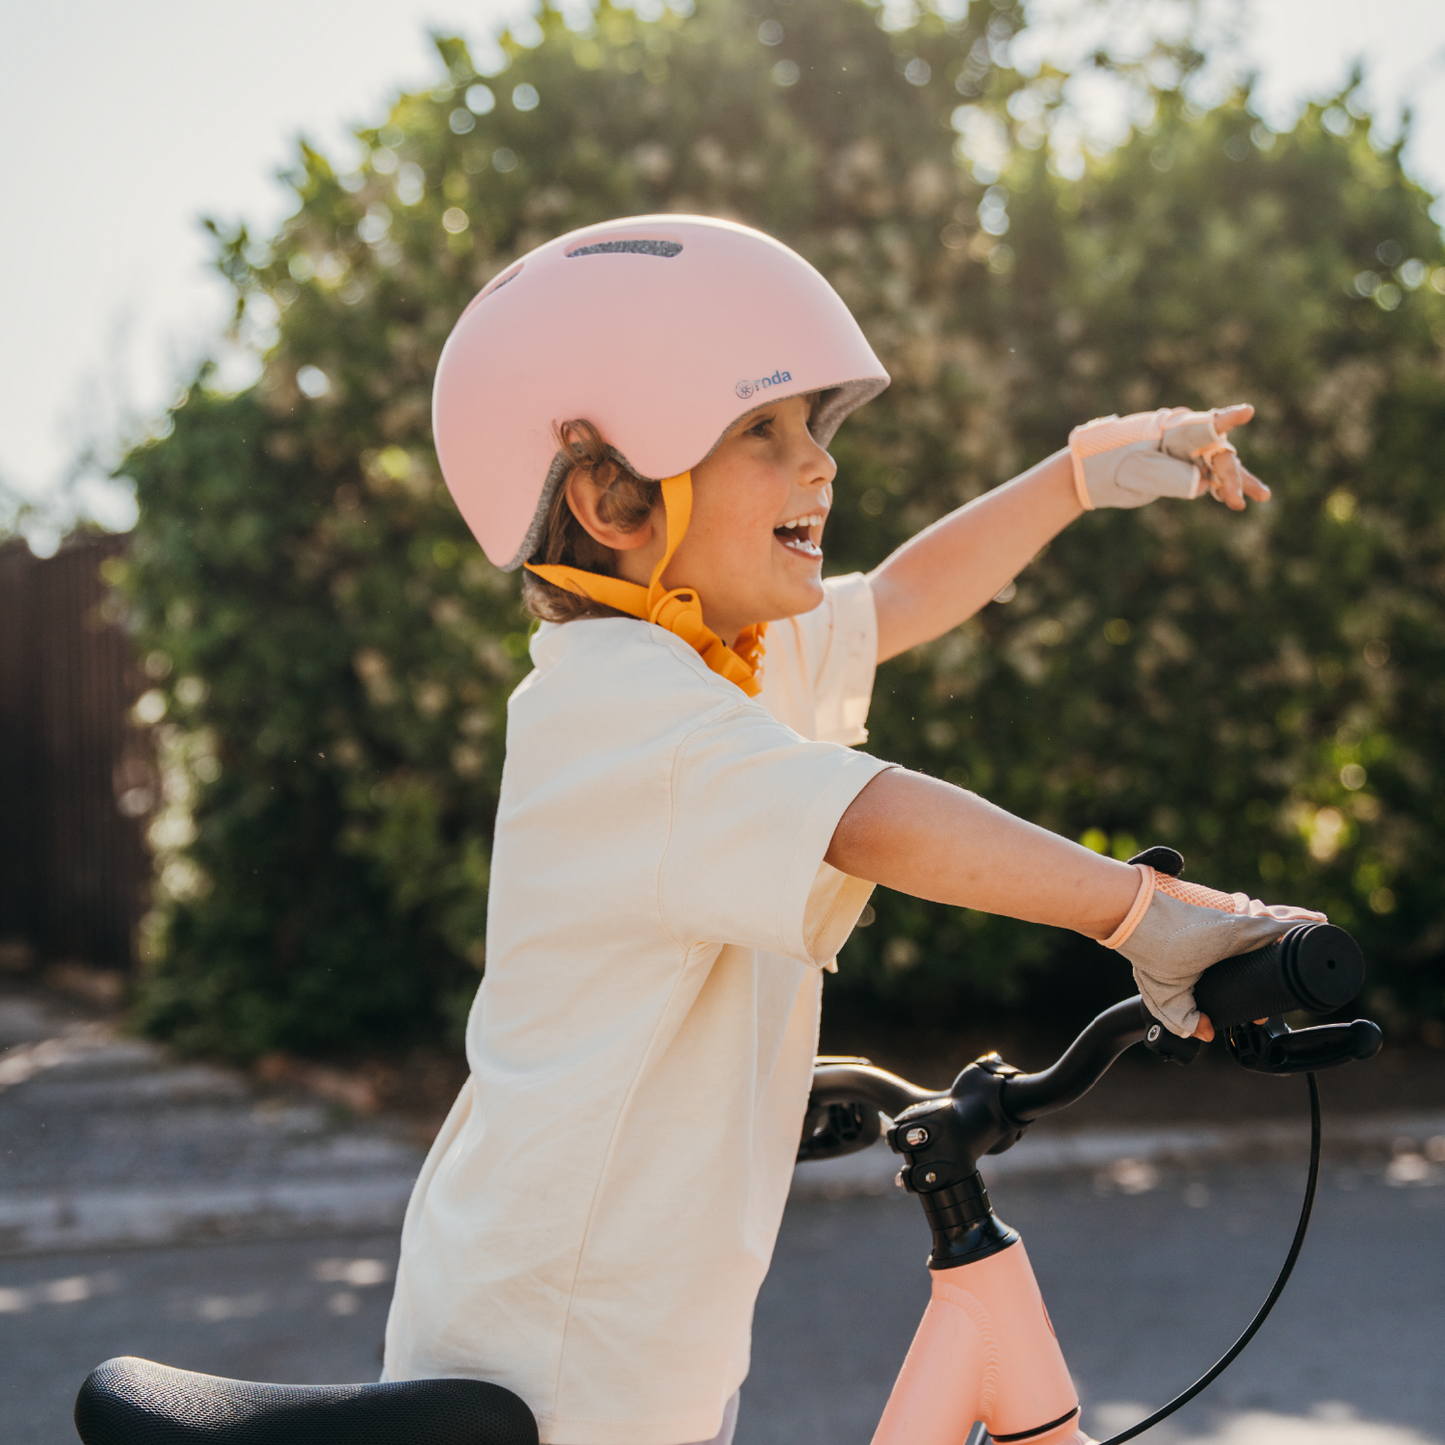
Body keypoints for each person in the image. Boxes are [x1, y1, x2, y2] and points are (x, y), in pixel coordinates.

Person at [382, 215, 1321, 1445]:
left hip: (634, 1347)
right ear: (612, 496)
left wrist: (1078, 472)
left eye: (817, 429)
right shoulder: (614, 704)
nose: (819, 466)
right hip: (556, 1374)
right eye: (763, 433)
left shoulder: (714, 665)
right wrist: (1147, 914)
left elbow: (893, 600)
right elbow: (866, 815)